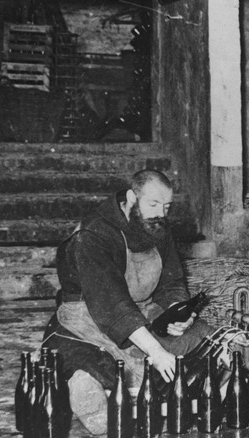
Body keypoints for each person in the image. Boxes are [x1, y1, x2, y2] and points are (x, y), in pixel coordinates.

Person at [42, 169, 214, 435]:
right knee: (105, 362)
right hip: (90, 316)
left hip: (140, 312)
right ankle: (87, 390)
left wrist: (177, 313)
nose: (161, 213)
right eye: (153, 204)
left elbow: (172, 283)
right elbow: (112, 304)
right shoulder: (93, 234)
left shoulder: (156, 226)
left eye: (167, 206)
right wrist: (156, 351)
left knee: (204, 335)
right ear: (132, 198)